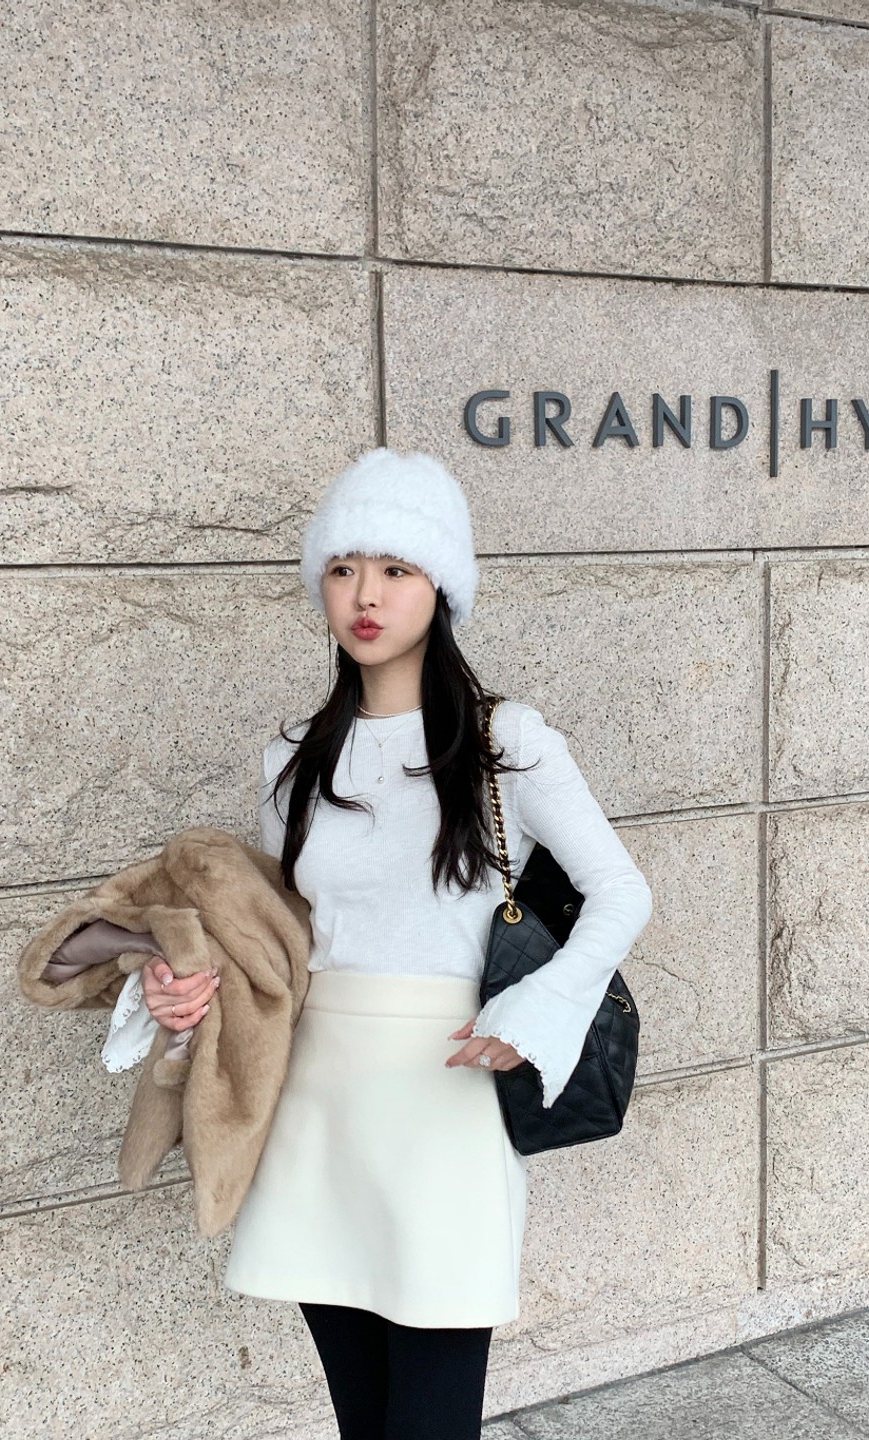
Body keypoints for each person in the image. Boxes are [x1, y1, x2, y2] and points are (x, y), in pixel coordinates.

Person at [113, 447, 653, 1439]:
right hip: (319, 1103)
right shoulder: (293, 757)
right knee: (363, 1419)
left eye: (396, 568)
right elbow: (280, 940)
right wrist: (184, 996)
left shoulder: (506, 741)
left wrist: (538, 1006)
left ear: (441, 585)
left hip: (447, 1097)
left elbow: (621, 892)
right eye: (343, 568)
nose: (365, 595)